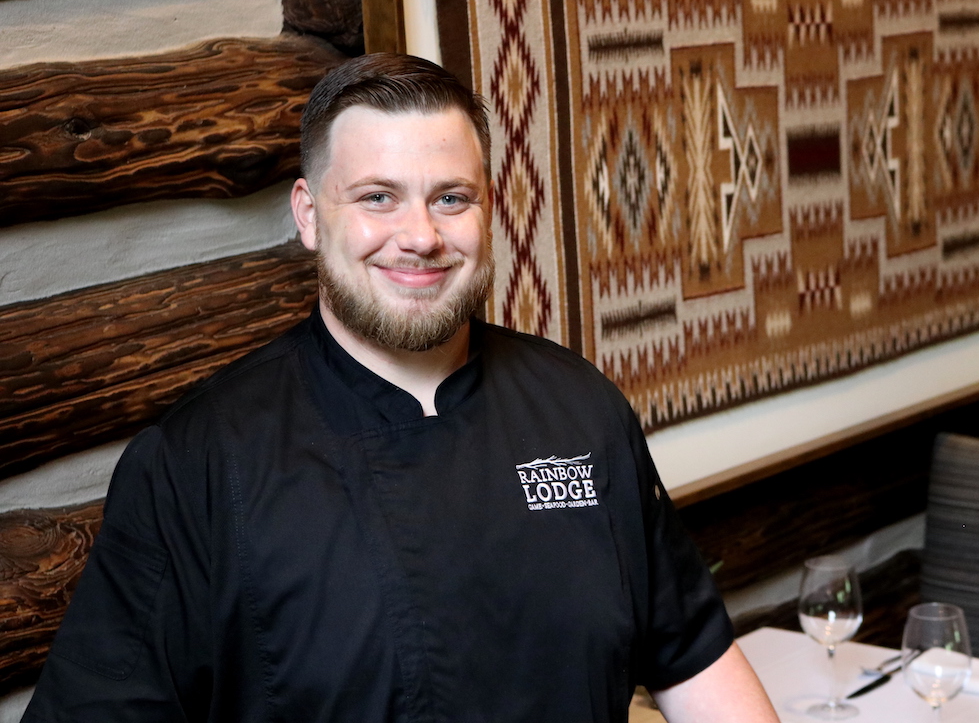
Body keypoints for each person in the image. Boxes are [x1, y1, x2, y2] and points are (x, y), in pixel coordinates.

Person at [22, 54, 780, 722]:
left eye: (451, 197)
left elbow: (694, 657)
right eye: (378, 197)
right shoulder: (197, 463)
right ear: (310, 216)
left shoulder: (580, 408)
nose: (420, 235)